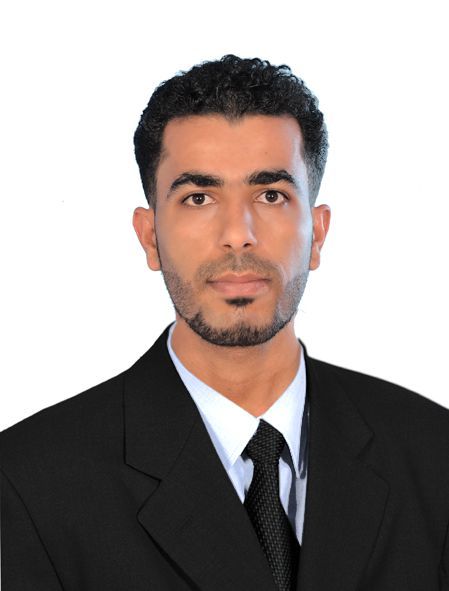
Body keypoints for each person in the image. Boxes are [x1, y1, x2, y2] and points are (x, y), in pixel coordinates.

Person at [1, 55, 448, 591]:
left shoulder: (435, 457)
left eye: (271, 195)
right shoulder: (29, 482)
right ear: (149, 237)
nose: (238, 234)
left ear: (318, 234)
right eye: (199, 198)